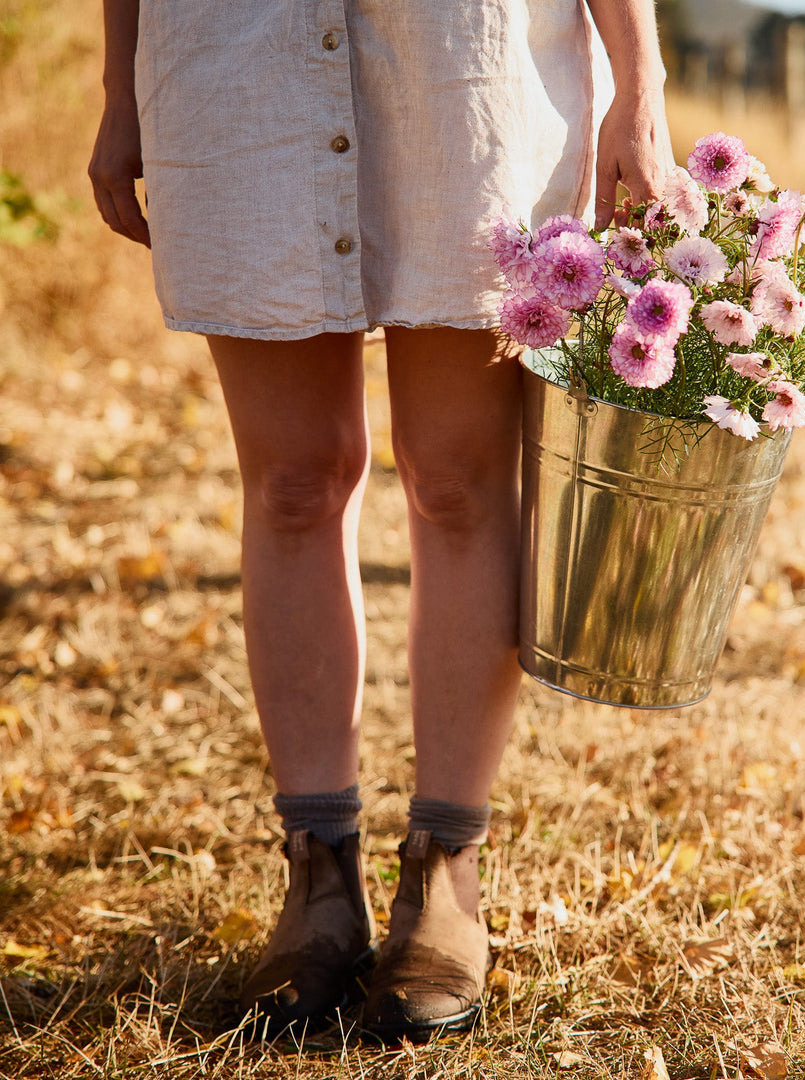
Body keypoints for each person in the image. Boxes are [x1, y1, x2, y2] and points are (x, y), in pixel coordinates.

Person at [89, 0, 673, 1043]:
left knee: (457, 481)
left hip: (466, 56)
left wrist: (642, 81)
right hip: (234, 55)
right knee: (292, 484)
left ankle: (447, 865)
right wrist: (116, 83)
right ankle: (318, 866)